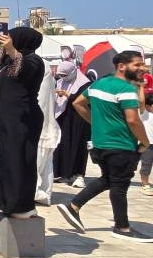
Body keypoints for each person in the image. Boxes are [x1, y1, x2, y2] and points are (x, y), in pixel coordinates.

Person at [56, 51, 152, 242]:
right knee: (120, 185)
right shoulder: (125, 88)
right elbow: (133, 120)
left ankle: (73, 206)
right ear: (121, 66)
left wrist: (96, 124)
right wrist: (145, 141)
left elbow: (78, 103)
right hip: (121, 144)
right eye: (137, 64)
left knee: (109, 179)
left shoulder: (99, 84)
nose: (142, 68)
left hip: (100, 143)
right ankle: (122, 227)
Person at [0, 27, 46, 218]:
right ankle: (7, 202)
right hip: (6, 120)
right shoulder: (6, 64)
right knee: (6, 160)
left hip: (22, 120)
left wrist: (12, 50)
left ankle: (22, 206)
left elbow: (24, 72)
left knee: (19, 161)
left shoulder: (33, 61)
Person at [53, 60, 92, 188]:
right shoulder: (60, 82)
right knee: (63, 144)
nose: (63, 77)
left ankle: (78, 174)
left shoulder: (85, 83)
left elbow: (83, 99)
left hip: (78, 119)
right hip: (63, 117)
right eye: (61, 75)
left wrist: (66, 94)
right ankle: (63, 173)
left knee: (77, 144)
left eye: (65, 75)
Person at [35, 64, 61, 206]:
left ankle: (36, 192)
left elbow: (41, 100)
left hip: (39, 122)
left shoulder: (38, 66)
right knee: (43, 162)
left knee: (37, 160)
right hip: (45, 122)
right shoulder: (43, 66)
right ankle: (42, 192)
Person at [140, 93, 153, 196]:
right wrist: (141, 87)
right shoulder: (144, 114)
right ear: (148, 106)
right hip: (148, 144)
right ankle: (145, 184)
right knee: (146, 164)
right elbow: (141, 101)